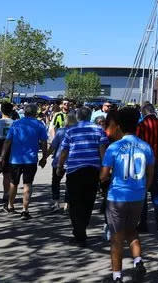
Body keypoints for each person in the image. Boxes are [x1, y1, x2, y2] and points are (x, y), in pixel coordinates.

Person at [100, 106, 153, 283]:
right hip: (138, 195)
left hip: (117, 197)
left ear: (120, 125)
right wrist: (144, 189)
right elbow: (151, 173)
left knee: (116, 238)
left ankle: (117, 276)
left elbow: (104, 175)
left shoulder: (114, 148)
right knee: (132, 231)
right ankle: (138, 261)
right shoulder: (146, 147)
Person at [58, 104, 109, 244]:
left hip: (74, 170)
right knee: (88, 201)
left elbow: (64, 151)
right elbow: (102, 150)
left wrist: (59, 166)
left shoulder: (71, 130)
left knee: (75, 202)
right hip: (92, 170)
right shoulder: (99, 130)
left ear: (78, 116)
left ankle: (79, 231)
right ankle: (82, 229)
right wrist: (105, 168)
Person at [0, 102, 48, 218]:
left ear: (25, 112)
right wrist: (44, 157)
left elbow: (7, 141)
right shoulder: (39, 124)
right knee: (28, 184)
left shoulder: (16, 124)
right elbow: (44, 142)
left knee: (13, 183)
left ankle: (10, 205)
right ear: (35, 113)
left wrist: (2, 157)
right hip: (30, 159)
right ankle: (25, 210)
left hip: (15, 159)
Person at [136, 103, 158, 232]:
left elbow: (137, 142)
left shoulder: (141, 125)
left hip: (144, 162)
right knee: (156, 193)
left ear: (143, 112)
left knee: (143, 192)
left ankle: (143, 223)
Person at [47, 109, 77, 212]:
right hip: (72, 161)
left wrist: (44, 157)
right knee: (70, 183)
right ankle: (67, 204)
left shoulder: (60, 131)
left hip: (59, 159)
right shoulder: (77, 133)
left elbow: (53, 147)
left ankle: (56, 202)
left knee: (56, 181)